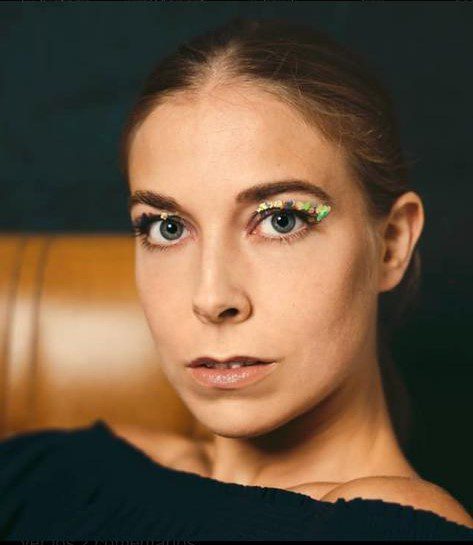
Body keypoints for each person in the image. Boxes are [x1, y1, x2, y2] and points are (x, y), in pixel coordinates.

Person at [1, 16, 472, 540]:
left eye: (281, 220)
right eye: (167, 227)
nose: (211, 297)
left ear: (392, 244)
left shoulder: (396, 526)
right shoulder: (55, 470)